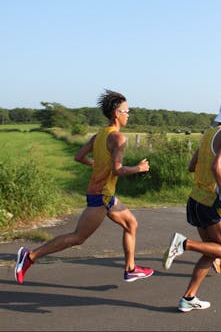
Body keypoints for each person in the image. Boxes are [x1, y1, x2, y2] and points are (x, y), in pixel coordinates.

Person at [15, 89, 154, 284]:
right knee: (78, 237)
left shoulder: (99, 135)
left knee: (131, 224)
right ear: (117, 114)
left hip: (106, 195)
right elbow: (117, 170)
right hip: (101, 196)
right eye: (126, 111)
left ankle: (131, 269)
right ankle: (30, 256)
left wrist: (97, 165)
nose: (128, 115)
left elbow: (79, 157)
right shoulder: (118, 138)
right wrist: (138, 168)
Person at [162, 95, 221, 312]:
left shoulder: (207, 134)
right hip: (210, 202)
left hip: (195, 200)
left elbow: (192, 165)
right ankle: (183, 244)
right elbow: (218, 166)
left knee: (212, 252)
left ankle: (188, 298)